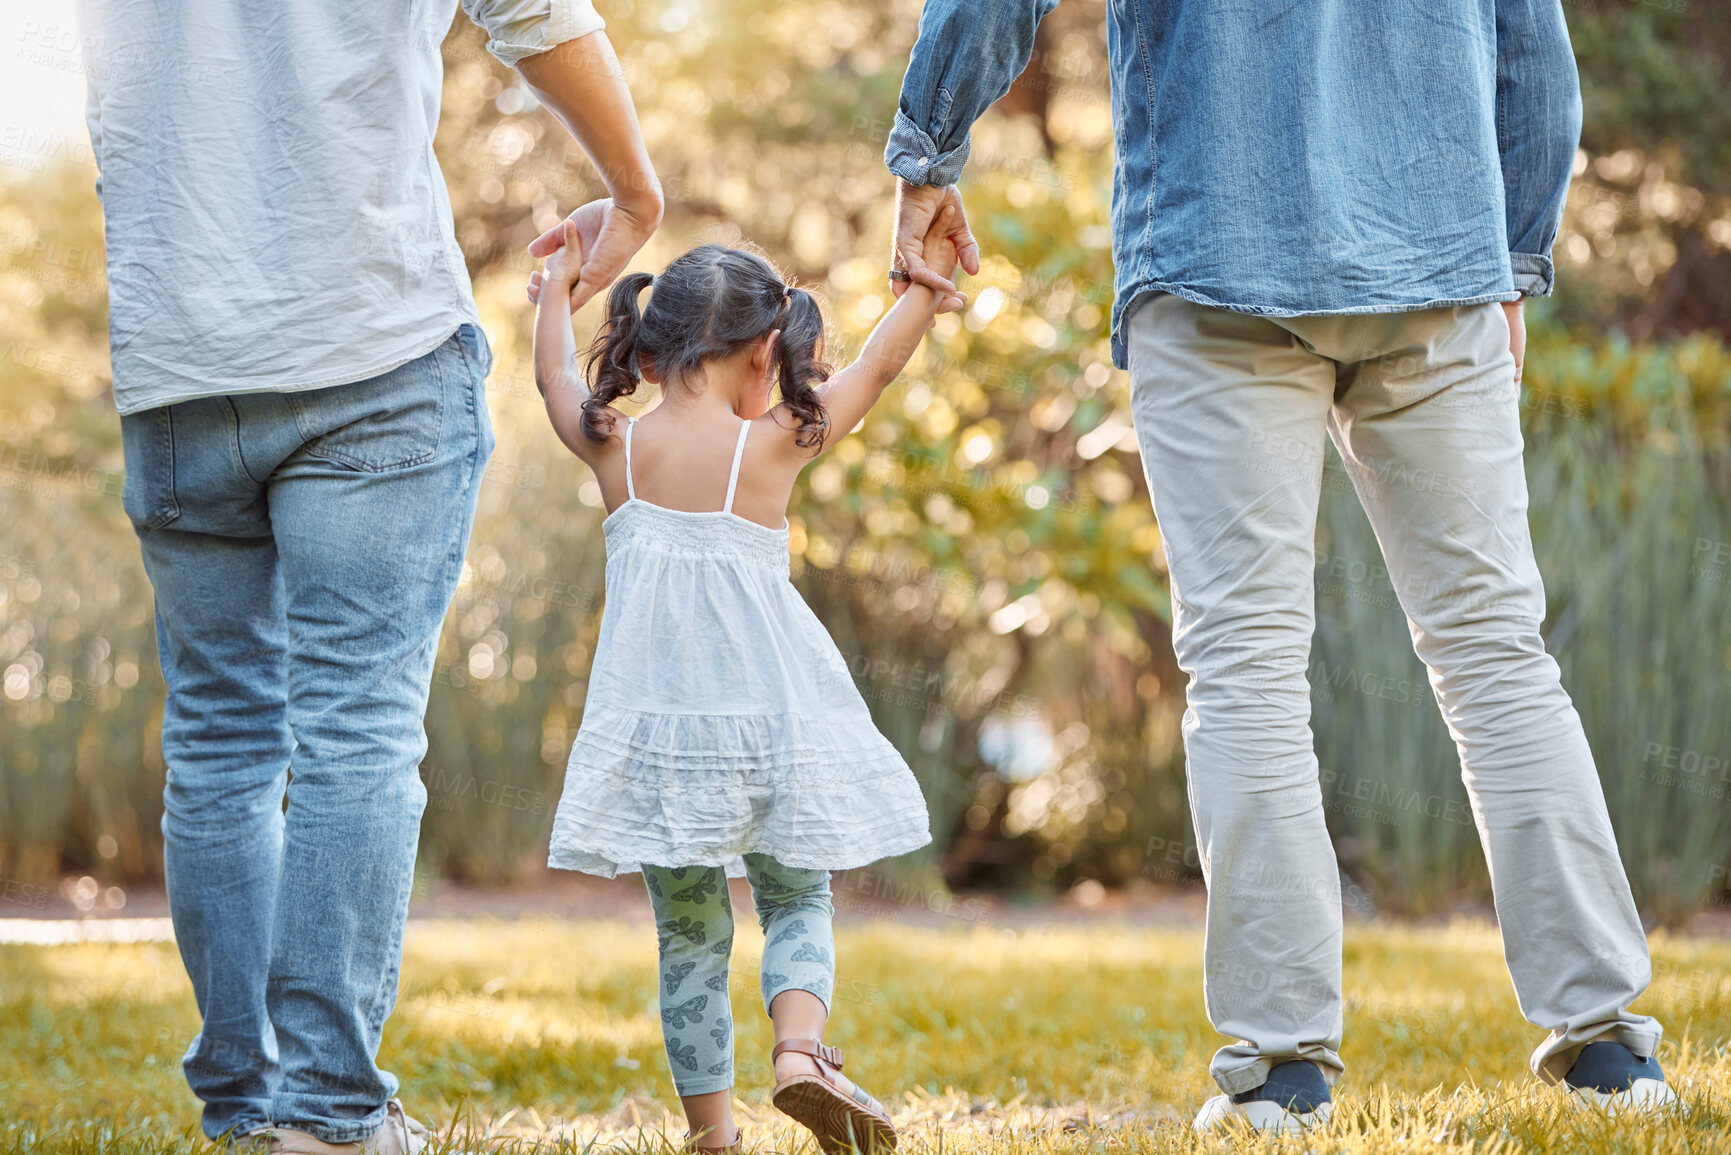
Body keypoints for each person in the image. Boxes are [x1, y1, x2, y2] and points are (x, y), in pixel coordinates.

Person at [881, 0, 1675, 1134]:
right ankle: (1608, 1049)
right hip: (1437, 257)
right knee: (1496, 658)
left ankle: (1282, 1070)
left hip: (1219, 260)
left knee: (1246, 670)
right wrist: (1514, 252)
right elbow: (1531, 47)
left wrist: (928, 146)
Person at [77, 0, 662, 1148]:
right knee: (355, 732)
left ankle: (246, 1112)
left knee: (218, 742)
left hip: (178, 366)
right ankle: (329, 1115)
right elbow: (533, 10)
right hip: (370, 345)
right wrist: (637, 194)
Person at [530, 212, 963, 1152]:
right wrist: (923, 291)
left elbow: (553, 381)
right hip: (774, 724)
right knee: (798, 897)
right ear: (766, 351)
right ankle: (801, 1052)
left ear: (647, 350)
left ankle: (713, 1134)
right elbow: (877, 371)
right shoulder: (776, 442)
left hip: (663, 739)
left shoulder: (615, 444)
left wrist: (557, 294)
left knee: (688, 935)